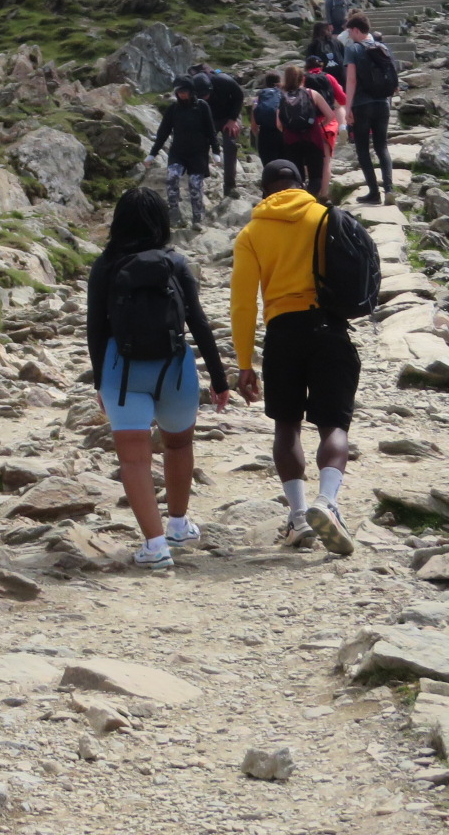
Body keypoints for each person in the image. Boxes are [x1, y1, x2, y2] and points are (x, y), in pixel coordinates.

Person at [86, 188, 231, 571]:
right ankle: (179, 525)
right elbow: (198, 322)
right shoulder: (175, 262)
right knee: (178, 445)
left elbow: (96, 330)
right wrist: (219, 378)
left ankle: (154, 546)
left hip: (123, 368)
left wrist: (100, 381)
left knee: (134, 459)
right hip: (175, 368)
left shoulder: (106, 265)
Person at [231, 160, 360, 555]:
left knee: (287, 427)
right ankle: (329, 502)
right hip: (330, 327)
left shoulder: (252, 232)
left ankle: (300, 517)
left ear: (265, 190)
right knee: (334, 424)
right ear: (302, 184)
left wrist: (244, 363)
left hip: (282, 333)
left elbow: (242, 305)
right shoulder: (325, 216)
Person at [340, 12, 397, 206]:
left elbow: (351, 79)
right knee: (382, 146)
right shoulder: (382, 47)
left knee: (363, 148)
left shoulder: (352, 49)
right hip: (382, 103)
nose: (349, 35)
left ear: (356, 30)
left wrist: (347, 109)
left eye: (350, 31)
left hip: (361, 105)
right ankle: (389, 189)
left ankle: (374, 192)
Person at [149, 75, 215, 226]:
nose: (182, 94)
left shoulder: (202, 106)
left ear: (191, 91)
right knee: (172, 177)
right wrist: (152, 153)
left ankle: (198, 217)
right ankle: (174, 212)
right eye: (179, 92)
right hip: (178, 153)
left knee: (195, 185)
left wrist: (216, 151)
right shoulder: (173, 109)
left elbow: (211, 130)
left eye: (184, 91)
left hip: (198, 154)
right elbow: (163, 132)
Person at [274, 60, 334, 198]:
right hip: (313, 138)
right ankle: (312, 198)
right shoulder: (312, 94)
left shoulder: (282, 97)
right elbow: (330, 115)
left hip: (291, 140)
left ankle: (300, 199)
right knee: (316, 176)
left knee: (297, 175)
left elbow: (278, 124)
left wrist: (289, 129)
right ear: (303, 78)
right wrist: (319, 126)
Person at [196, 62, 247, 199]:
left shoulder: (224, 80)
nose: (204, 97)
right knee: (200, 144)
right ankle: (198, 180)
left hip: (229, 114)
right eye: (201, 96)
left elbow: (239, 96)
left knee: (230, 144)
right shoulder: (192, 89)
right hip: (210, 117)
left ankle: (229, 186)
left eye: (206, 94)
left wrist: (233, 119)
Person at [251, 70, 287, 174]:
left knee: (269, 168)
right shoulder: (283, 95)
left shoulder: (258, 98)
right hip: (282, 134)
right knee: (284, 166)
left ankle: (268, 189)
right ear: (279, 82)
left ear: (266, 83)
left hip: (265, 135)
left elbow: (254, 126)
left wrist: (258, 136)